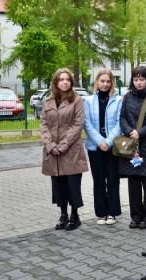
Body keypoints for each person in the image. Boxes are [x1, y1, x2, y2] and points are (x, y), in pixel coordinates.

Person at [40, 68, 89, 231]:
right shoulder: (47, 102)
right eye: (61, 79)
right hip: (52, 152)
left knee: (72, 185)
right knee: (58, 185)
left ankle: (75, 215)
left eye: (67, 79)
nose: (65, 82)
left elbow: (78, 124)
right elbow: (43, 125)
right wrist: (50, 145)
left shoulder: (77, 100)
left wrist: (62, 146)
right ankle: (63, 214)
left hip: (71, 150)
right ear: (56, 82)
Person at [119, 66, 146, 230]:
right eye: (136, 79)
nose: (139, 82)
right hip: (131, 146)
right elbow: (122, 117)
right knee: (133, 181)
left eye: (142, 79)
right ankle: (135, 216)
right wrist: (129, 131)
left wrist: (140, 132)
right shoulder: (127, 97)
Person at [83, 68, 123, 225]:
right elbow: (86, 123)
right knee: (98, 180)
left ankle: (112, 213)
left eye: (108, 81)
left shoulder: (118, 100)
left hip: (112, 147)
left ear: (111, 83)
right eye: (102, 81)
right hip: (95, 147)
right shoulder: (88, 101)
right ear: (97, 82)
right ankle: (101, 213)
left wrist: (108, 142)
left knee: (113, 179)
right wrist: (100, 142)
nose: (105, 84)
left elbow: (120, 123)